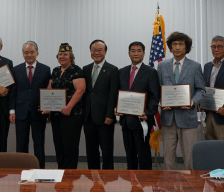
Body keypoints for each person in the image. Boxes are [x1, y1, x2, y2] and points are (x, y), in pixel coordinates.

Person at [157, 32, 205, 170]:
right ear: (170, 47)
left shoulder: (195, 66)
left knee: (190, 156)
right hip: (168, 118)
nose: (177, 47)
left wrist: (192, 102)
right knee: (168, 157)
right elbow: (158, 88)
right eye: (174, 44)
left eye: (181, 44)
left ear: (186, 47)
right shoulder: (162, 66)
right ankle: (169, 185)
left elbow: (201, 90)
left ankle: (192, 185)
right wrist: (161, 101)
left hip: (187, 117)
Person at [115, 41, 159, 170]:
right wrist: (116, 107)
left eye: (139, 50)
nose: (136, 53)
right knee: (130, 154)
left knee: (143, 154)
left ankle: (146, 184)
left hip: (142, 120)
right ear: (128, 53)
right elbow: (117, 94)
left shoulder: (151, 72)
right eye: (133, 50)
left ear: (144, 53)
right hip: (126, 120)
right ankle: (132, 183)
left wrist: (149, 112)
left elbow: (154, 95)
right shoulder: (121, 72)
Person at [42, 43, 86, 169]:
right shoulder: (55, 71)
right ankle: (61, 171)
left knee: (70, 146)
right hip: (56, 115)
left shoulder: (76, 70)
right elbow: (49, 89)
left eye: (65, 54)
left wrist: (69, 107)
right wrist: (47, 106)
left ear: (71, 56)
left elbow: (80, 90)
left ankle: (71, 174)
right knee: (59, 145)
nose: (62, 56)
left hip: (72, 115)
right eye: (60, 54)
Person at [9, 41, 51, 168]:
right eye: (26, 52)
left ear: (37, 53)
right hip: (21, 112)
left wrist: (48, 108)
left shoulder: (45, 69)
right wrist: (12, 111)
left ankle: (40, 170)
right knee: (21, 144)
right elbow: (13, 92)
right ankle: (21, 170)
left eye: (32, 52)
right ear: (23, 54)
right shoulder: (15, 70)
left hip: (38, 112)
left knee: (39, 144)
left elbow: (48, 92)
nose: (29, 55)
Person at [83, 40, 119, 170]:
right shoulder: (86, 69)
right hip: (88, 117)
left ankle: (108, 179)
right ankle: (93, 177)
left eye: (100, 50)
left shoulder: (113, 70)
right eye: (94, 49)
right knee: (91, 150)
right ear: (90, 51)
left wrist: (110, 114)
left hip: (105, 118)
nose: (96, 52)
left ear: (105, 52)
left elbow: (113, 94)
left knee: (106, 150)